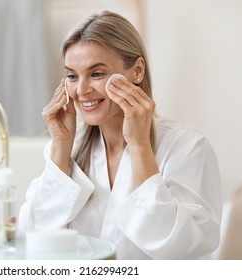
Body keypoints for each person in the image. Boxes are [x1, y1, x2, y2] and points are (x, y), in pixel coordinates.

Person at [18, 11, 222, 259]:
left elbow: (179, 247)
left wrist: (139, 146)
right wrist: (61, 146)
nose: (81, 90)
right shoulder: (65, 148)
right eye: (72, 76)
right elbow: (32, 236)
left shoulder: (187, 147)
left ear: (137, 71)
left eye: (97, 74)